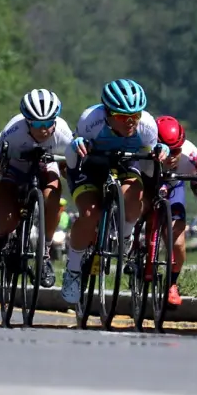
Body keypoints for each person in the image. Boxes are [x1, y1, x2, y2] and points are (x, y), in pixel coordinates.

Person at [62, 79, 159, 305]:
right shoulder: (90, 120)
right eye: (123, 116)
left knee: (135, 197)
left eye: (135, 116)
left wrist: (157, 153)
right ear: (107, 112)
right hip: (89, 166)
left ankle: (124, 238)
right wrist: (76, 147)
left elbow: (148, 166)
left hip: (126, 163)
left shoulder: (147, 125)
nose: (131, 122)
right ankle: (73, 270)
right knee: (90, 213)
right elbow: (71, 161)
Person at [0, 89, 73, 289]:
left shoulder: (64, 134)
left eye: (48, 123)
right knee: (9, 219)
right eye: (37, 124)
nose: (43, 129)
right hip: (14, 167)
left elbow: (70, 167)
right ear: (26, 121)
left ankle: (45, 253)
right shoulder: (12, 132)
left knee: (53, 195)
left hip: (46, 164)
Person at [155, 115, 197, 307]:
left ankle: (172, 283)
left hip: (173, 185)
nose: (172, 156)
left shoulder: (193, 157)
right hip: (147, 181)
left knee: (178, 241)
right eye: (166, 150)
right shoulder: (143, 145)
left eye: (176, 150)